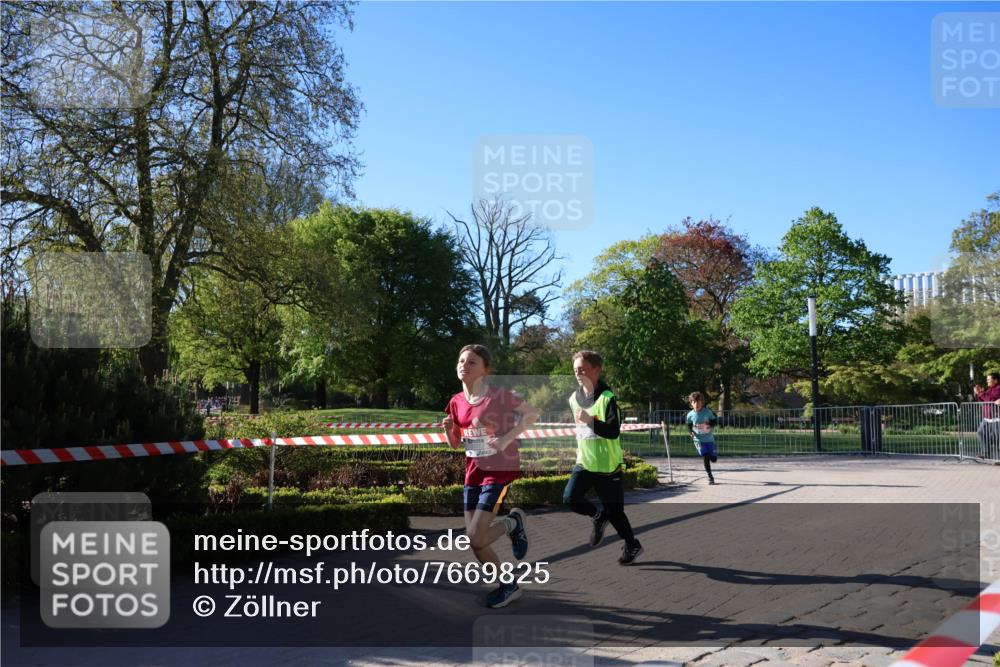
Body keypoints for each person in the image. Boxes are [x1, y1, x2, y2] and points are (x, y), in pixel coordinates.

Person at [442, 344, 538, 608]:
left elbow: (532, 414)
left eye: (472, 362)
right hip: (473, 473)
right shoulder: (456, 401)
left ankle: (512, 523)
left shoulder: (498, 396)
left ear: (486, 370)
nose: (464, 365)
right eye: (461, 361)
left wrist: (506, 439)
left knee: (475, 536)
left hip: (497, 471)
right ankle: (508, 584)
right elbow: (455, 444)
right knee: (476, 543)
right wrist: (449, 430)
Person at [563, 350, 643, 565]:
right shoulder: (573, 398)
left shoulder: (608, 398)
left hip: (608, 466)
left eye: (582, 370)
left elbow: (613, 431)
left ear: (596, 370)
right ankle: (598, 517)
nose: (578, 374)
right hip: (585, 462)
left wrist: (590, 420)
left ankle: (632, 545)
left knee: (615, 513)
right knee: (570, 498)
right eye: (575, 370)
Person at [686, 392, 718, 484]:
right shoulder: (690, 415)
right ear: (691, 403)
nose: (696, 404)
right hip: (698, 440)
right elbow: (689, 425)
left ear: (702, 402)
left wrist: (709, 425)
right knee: (705, 456)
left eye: (699, 402)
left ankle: (713, 456)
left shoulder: (707, 412)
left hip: (709, 439)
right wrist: (691, 432)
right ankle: (710, 477)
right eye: (694, 402)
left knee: (713, 459)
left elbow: (714, 421)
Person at [973, 372, 1000, 458]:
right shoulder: (989, 389)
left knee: (998, 439)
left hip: (996, 419)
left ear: (995, 380)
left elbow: (990, 398)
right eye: (987, 379)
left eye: (989, 379)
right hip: (987, 419)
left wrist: (981, 393)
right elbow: (983, 400)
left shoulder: (998, 388)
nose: (987, 381)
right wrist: (979, 393)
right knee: (981, 432)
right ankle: (986, 453)